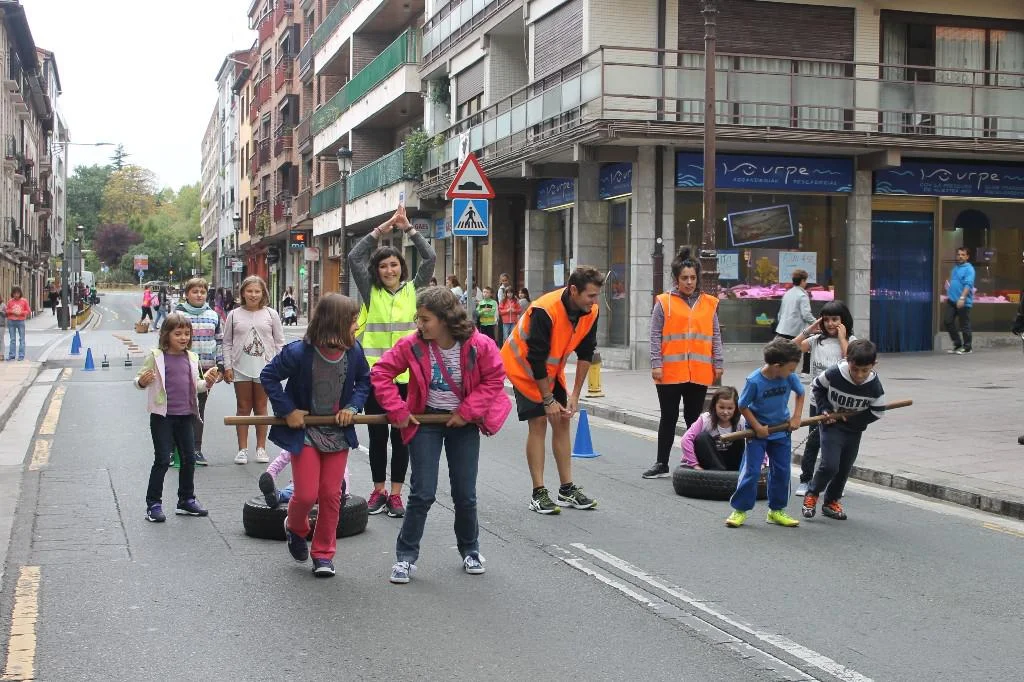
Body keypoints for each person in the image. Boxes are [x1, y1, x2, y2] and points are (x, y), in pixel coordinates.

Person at [371, 287, 512, 584]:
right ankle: (405, 557)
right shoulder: (412, 345)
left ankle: (471, 550)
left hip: (464, 423)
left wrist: (468, 412)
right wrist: (397, 410)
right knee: (422, 492)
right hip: (426, 421)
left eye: (425, 319)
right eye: (418, 318)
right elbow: (381, 373)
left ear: (445, 319)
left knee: (465, 493)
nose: (419, 325)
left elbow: (494, 378)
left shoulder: (479, 345)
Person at [261, 293, 370, 578]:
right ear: (335, 323)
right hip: (305, 432)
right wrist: (288, 411)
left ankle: (323, 554)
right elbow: (268, 376)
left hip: (337, 432)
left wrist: (352, 406)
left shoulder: (354, 352)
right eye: (353, 321)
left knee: (331, 495)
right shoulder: (299, 353)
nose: (356, 326)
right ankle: (295, 527)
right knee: (307, 494)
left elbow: (364, 381)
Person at [348, 205, 436, 517]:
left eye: (394, 265)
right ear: (377, 270)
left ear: (402, 267)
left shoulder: (415, 290)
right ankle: (378, 491)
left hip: (408, 378)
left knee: (402, 437)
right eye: (383, 266)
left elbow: (430, 258)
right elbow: (354, 257)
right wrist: (383, 228)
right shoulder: (370, 291)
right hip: (375, 377)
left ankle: (396, 494)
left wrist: (409, 228)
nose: (389, 270)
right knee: (376, 436)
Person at [501, 266, 603, 514]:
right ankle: (538, 493)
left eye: (596, 295)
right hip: (523, 368)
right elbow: (535, 357)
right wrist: (547, 400)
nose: (594, 301)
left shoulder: (591, 311)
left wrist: (575, 396)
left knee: (562, 421)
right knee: (538, 422)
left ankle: (566, 489)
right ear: (574, 290)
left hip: (551, 371)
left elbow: (586, 353)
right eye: (590, 295)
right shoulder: (544, 310)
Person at [644, 247, 723, 479]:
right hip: (669, 371)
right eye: (684, 278)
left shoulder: (709, 303)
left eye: (692, 278)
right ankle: (661, 463)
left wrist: (718, 362)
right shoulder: (664, 302)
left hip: (698, 371)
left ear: (697, 278)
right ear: (676, 279)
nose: (689, 282)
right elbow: (655, 335)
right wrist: (656, 363)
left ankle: (693, 460)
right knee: (668, 417)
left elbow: (715, 335)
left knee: (693, 419)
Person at [134, 313, 219, 523]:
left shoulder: (192, 358)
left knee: (189, 459)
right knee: (163, 459)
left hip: (186, 416)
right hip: (162, 417)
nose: (183, 338)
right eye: (178, 333)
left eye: (187, 334)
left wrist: (208, 382)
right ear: (166, 335)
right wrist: (142, 382)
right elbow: (138, 380)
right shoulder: (156, 357)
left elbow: (197, 386)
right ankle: (153, 504)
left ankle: (186, 500)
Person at [802, 339, 886, 521]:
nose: (859, 375)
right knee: (830, 465)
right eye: (855, 369)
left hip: (854, 430)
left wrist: (854, 420)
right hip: (831, 425)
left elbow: (877, 411)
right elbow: (817, 387)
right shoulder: (834, 373)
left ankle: (831, 501)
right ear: (848, 361)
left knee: (844, 467)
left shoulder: (874, 385)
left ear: (874, 365)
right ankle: (812, 493)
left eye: (865, 370)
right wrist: (825, 409)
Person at [725, 338, 804, 529]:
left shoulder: (789, 377)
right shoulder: (754, 381)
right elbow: (743, 406)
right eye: (791, 369)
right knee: (752, 471)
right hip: (756, 432)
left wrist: (796, 417)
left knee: (782, 471)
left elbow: (800, 393)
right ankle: (740, 510)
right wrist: (757, 427)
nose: (792, 373)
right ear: (777, 366)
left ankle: (776, 510)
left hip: (781, 430)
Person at [791, 300, 855, 496]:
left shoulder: (852, 341)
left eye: (835, 319)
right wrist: (808, 330)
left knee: (837, 445)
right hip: (817, 401)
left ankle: (835, 485)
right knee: (814, 441)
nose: (830, 324)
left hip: (841, 404)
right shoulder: (816, 340)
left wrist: (843, 338)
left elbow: (852, 361)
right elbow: (790, 348)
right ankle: (806, 480)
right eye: (826, 320)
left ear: (844, 320)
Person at [224, 275, 285, 465]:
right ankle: (242, 449)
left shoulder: (271, 314)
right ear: (242, 293)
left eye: (257, 291)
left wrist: (279, 367)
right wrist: (227, 366)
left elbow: (279, 343)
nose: (253, 295)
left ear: (263, 293)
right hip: (240, 366)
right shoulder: (233, 315)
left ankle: (261, 448)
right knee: (243, 407)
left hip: (265, 368)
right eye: (249, 291)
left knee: (261, 407)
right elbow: (226, 342)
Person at [175, 278, 224, 466]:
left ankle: (196, 449)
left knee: (198, 409)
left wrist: (220, 366)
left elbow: (219, 342)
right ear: (187, 294)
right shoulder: (178, 314)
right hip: (181, 368)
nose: (199, 295)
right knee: (177, 409)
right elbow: (166, 340)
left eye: (202, 292)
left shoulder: (214, 316)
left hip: (206, 369)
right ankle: (174, 450)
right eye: (195, 291)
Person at [680, 386, 746, 471]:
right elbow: (686, 439)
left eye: (730, 408)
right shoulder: (706, 419)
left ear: (735, 408)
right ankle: (718, 469)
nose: (725, 412)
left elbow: (755, 440)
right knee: (702, 437)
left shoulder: (741, 421)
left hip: (732, 461)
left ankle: (736, 470)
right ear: (715, 406)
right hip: (711, 461)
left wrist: (759, 464)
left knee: (740, 438)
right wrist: (694, 464)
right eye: (721, 407)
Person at [258, 449, 351, 509]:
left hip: (325, 486)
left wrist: (344, 490)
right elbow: (279, 462)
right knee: (294, 491)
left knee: (330, 488)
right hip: (303, 486)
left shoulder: (329, 441)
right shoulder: (297, 442)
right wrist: (269, 478)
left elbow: (340, 467)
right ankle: (275, 495)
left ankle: (338, 495)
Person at [775, 268, 817, 376]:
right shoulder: (802, 295)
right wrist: (816, 323)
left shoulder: (787, 293)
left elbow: (780, 313)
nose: (806, 283)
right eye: (805, 280)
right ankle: (805, 371)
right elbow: (806, 314)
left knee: (784, 351)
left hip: (783, 328)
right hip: (796, 329)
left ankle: (781, 370)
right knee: (808, 346)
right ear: (802, 281)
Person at [944, 246, 975, 355]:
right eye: (958, 254)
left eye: (963, 255)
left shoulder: (969, 269)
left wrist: (962, 298)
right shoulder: (955, 269)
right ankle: (957, 345)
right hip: (952, 301)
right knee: (948, 321)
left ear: (967, 257)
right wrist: (948, 293)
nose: (960, 256)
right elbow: (952, 283)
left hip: (963, 302)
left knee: (964, 325)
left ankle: (967, 347)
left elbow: (968, 285)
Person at [5, 287, 31, 361]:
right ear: (12, 294)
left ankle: (21, 355)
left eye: (18, 293)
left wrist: (21, 313)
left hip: (20, 321)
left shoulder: (24, 301)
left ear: (20, 293)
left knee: (22, 339)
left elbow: (28, 311)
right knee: (12, 339)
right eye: (15, 293)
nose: (16, 295)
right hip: (11, 321)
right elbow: (6, 311)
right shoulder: (10, 301)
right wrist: (12, 311)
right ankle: (12, 355)